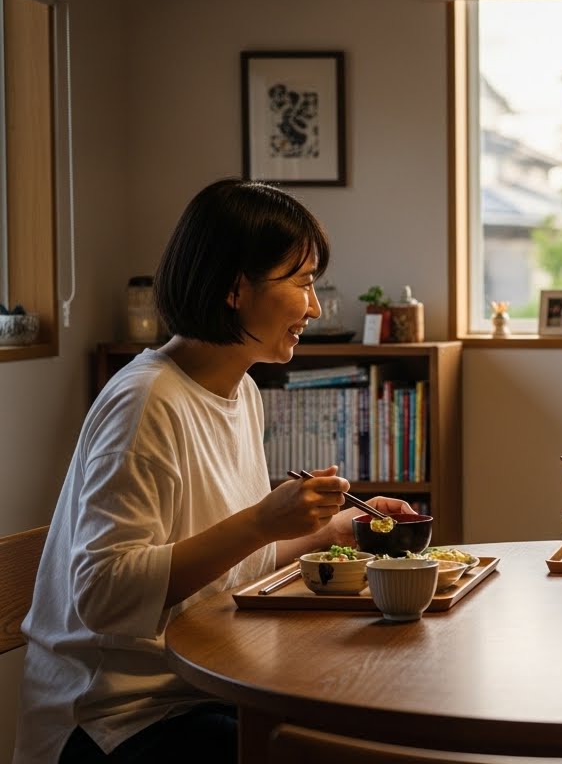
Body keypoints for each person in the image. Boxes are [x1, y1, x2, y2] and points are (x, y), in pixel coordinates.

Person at [16, 179, 417, 764]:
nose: (314, 307)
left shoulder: (242, 391)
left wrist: (337, 532)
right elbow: (103, 593)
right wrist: (260, 521)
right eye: (302, 282)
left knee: (368, 720)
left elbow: (221, 563)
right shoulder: (146, 401)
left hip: (205, 683)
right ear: (236, 288)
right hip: (115, 717)